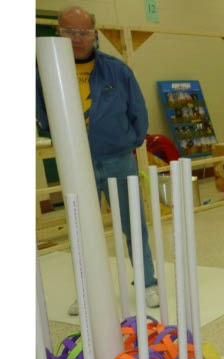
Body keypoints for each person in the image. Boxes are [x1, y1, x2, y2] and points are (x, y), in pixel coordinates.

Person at [36, 6, 159, 315]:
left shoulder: (117, 71)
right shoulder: (46, 71)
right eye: (69, 32)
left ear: (94, 34)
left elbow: (138, 112)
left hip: (119, 159)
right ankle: (87, 292)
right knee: (81, 230)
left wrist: (128, 142)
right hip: (76, 163)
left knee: (134, 225)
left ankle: (148, 283)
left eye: (83, 32)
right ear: (58, 33)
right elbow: (42, 111)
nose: (77, 39)